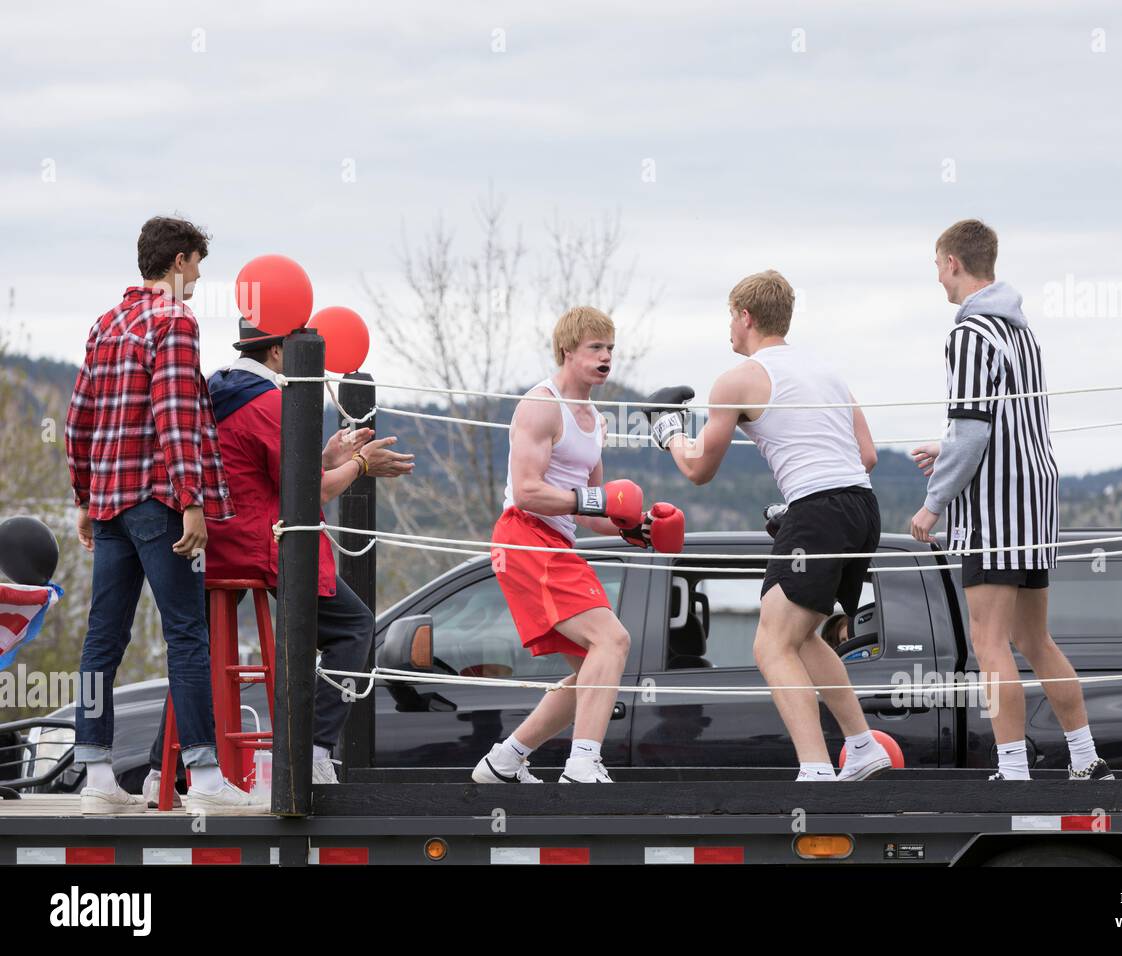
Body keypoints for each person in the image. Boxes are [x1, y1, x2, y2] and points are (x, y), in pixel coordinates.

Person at [141, 318, 415, 804]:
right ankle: (313, 753)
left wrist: (327, 455)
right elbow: (310, 494)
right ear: (277, 354)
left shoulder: (214, 390)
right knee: (354, 627)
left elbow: (271, 468)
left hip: (203, 543)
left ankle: (161, 770)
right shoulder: (271, 403)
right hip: (255, 543)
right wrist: (362, 464)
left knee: (193, 652)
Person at [645, 270, 893, 782]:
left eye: (729, 319)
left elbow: (697, 470)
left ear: (745, 317)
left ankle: (816, 769)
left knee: (769, 645)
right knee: (802, 638)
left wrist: (667, 430)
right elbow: (866, 455)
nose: (728, 332)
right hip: (861, 507)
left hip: (820, 509)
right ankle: (863, 746)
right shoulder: (826, 371)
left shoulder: (737, 380)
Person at [908, 218, 1112, 781]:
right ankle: (1086, 758)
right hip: (1036, 500)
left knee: (989, 643)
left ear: (953, 262)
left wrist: (934, 502)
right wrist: (946, 448)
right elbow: (990, 428)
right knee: (1034, 638)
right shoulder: (1022, 334)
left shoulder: (969, 335)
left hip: (995, 511)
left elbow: (973, 433)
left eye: (937, 266)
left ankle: (1014, 768)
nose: (938, 279)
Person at [65, 216, 255, 813]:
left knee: (102, 639)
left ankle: (95, 774)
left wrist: (84, 501)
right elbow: (175, 415)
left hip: (110, 503)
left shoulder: (107, 323)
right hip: (159, 500)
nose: (199, 275)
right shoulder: (174, 320)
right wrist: (193, 501)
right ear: (178, 261)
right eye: (197, 263)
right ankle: (204, 777)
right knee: (187, 635)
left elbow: (78, 422)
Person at [473, 306, 684, 785]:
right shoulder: (541, 406)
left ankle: (503, 763)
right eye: (595, 347)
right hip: (525, 532)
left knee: (594, 669)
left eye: (610, 348)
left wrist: (638, 527)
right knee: (614, 640)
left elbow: (594, 511)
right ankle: (582, 763)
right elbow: (527, 490)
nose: (606, 357)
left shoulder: (595, 420)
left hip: (556, 539)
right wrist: (594, 499)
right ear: (568, 350)